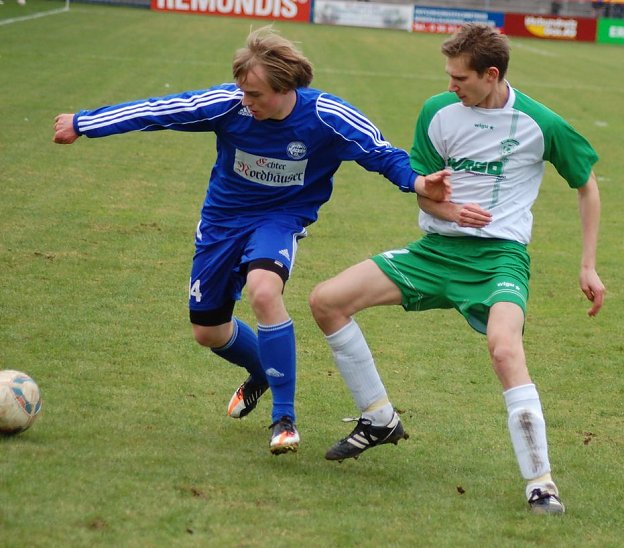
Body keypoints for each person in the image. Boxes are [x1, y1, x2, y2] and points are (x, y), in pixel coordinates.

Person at [52, 26, 451, 455]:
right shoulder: (229, 105)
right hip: (222, 221)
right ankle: (262, 369)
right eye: (243, 91)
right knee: (208, 331)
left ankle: (284, 419)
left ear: (285, 89)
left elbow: (382, 154)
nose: (246, 101)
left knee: (264, 291)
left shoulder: (327, 116)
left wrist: (418, 183)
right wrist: (84, 123)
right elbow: (161, 111)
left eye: (255, 94)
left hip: (280, 219)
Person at [309, 23, 605, 515]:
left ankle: (541, 485)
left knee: (505, 349)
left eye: (460, 78)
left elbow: (586, 185)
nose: (451, 86)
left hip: (498, 260)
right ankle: (379, 418)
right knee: (326, 301)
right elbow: (423, 190)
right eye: (448, 76)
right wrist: (446, 207)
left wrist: (588, 265)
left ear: (491, 75)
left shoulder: (541, 123)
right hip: (435, 253)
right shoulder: (437, 112)